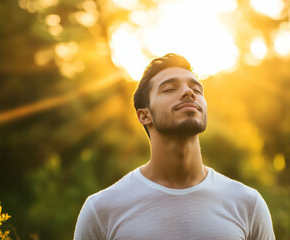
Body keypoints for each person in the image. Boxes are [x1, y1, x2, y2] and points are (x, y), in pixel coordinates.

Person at [74, 53, 275, 240]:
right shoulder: (101, 210)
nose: (189, 92)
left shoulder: (248, 203)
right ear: (144, 115)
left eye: (196, 89)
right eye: (169, 89)